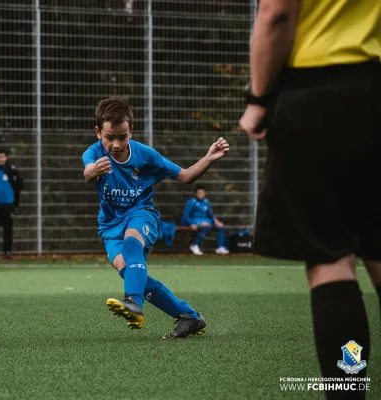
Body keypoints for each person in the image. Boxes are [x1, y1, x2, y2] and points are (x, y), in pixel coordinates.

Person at [239, 0, 381, 397]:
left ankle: (347, 390)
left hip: (322, 93)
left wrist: (258, 99)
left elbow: (277, 13)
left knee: (329, 258)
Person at [83, 97, 229, 338]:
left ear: (132, 131)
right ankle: (190, 317)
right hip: (109, 225)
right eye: (110, 137)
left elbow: (184, 176)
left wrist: (209, 158)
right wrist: (92, 171)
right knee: (131, 272)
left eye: (123, 136)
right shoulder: (93, 153)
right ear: (99, 132)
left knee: (132, 246)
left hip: (142, 214)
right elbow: (88, 170)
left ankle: (133, 303)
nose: (117, 144)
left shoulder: (145, 155)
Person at [181, 185, 229, 255]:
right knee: (207, 226)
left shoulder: (206, 202)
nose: (200, 194)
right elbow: (185, 215)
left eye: (202, 192)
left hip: (206, 221)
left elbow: (210, 214)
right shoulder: (191, 202)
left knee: (220, 227)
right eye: (199, 193)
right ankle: (194, 245)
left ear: (204, 193)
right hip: (194, 220)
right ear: (195, 193)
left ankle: (220, 247)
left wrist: (216, 221)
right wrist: (191, 223)